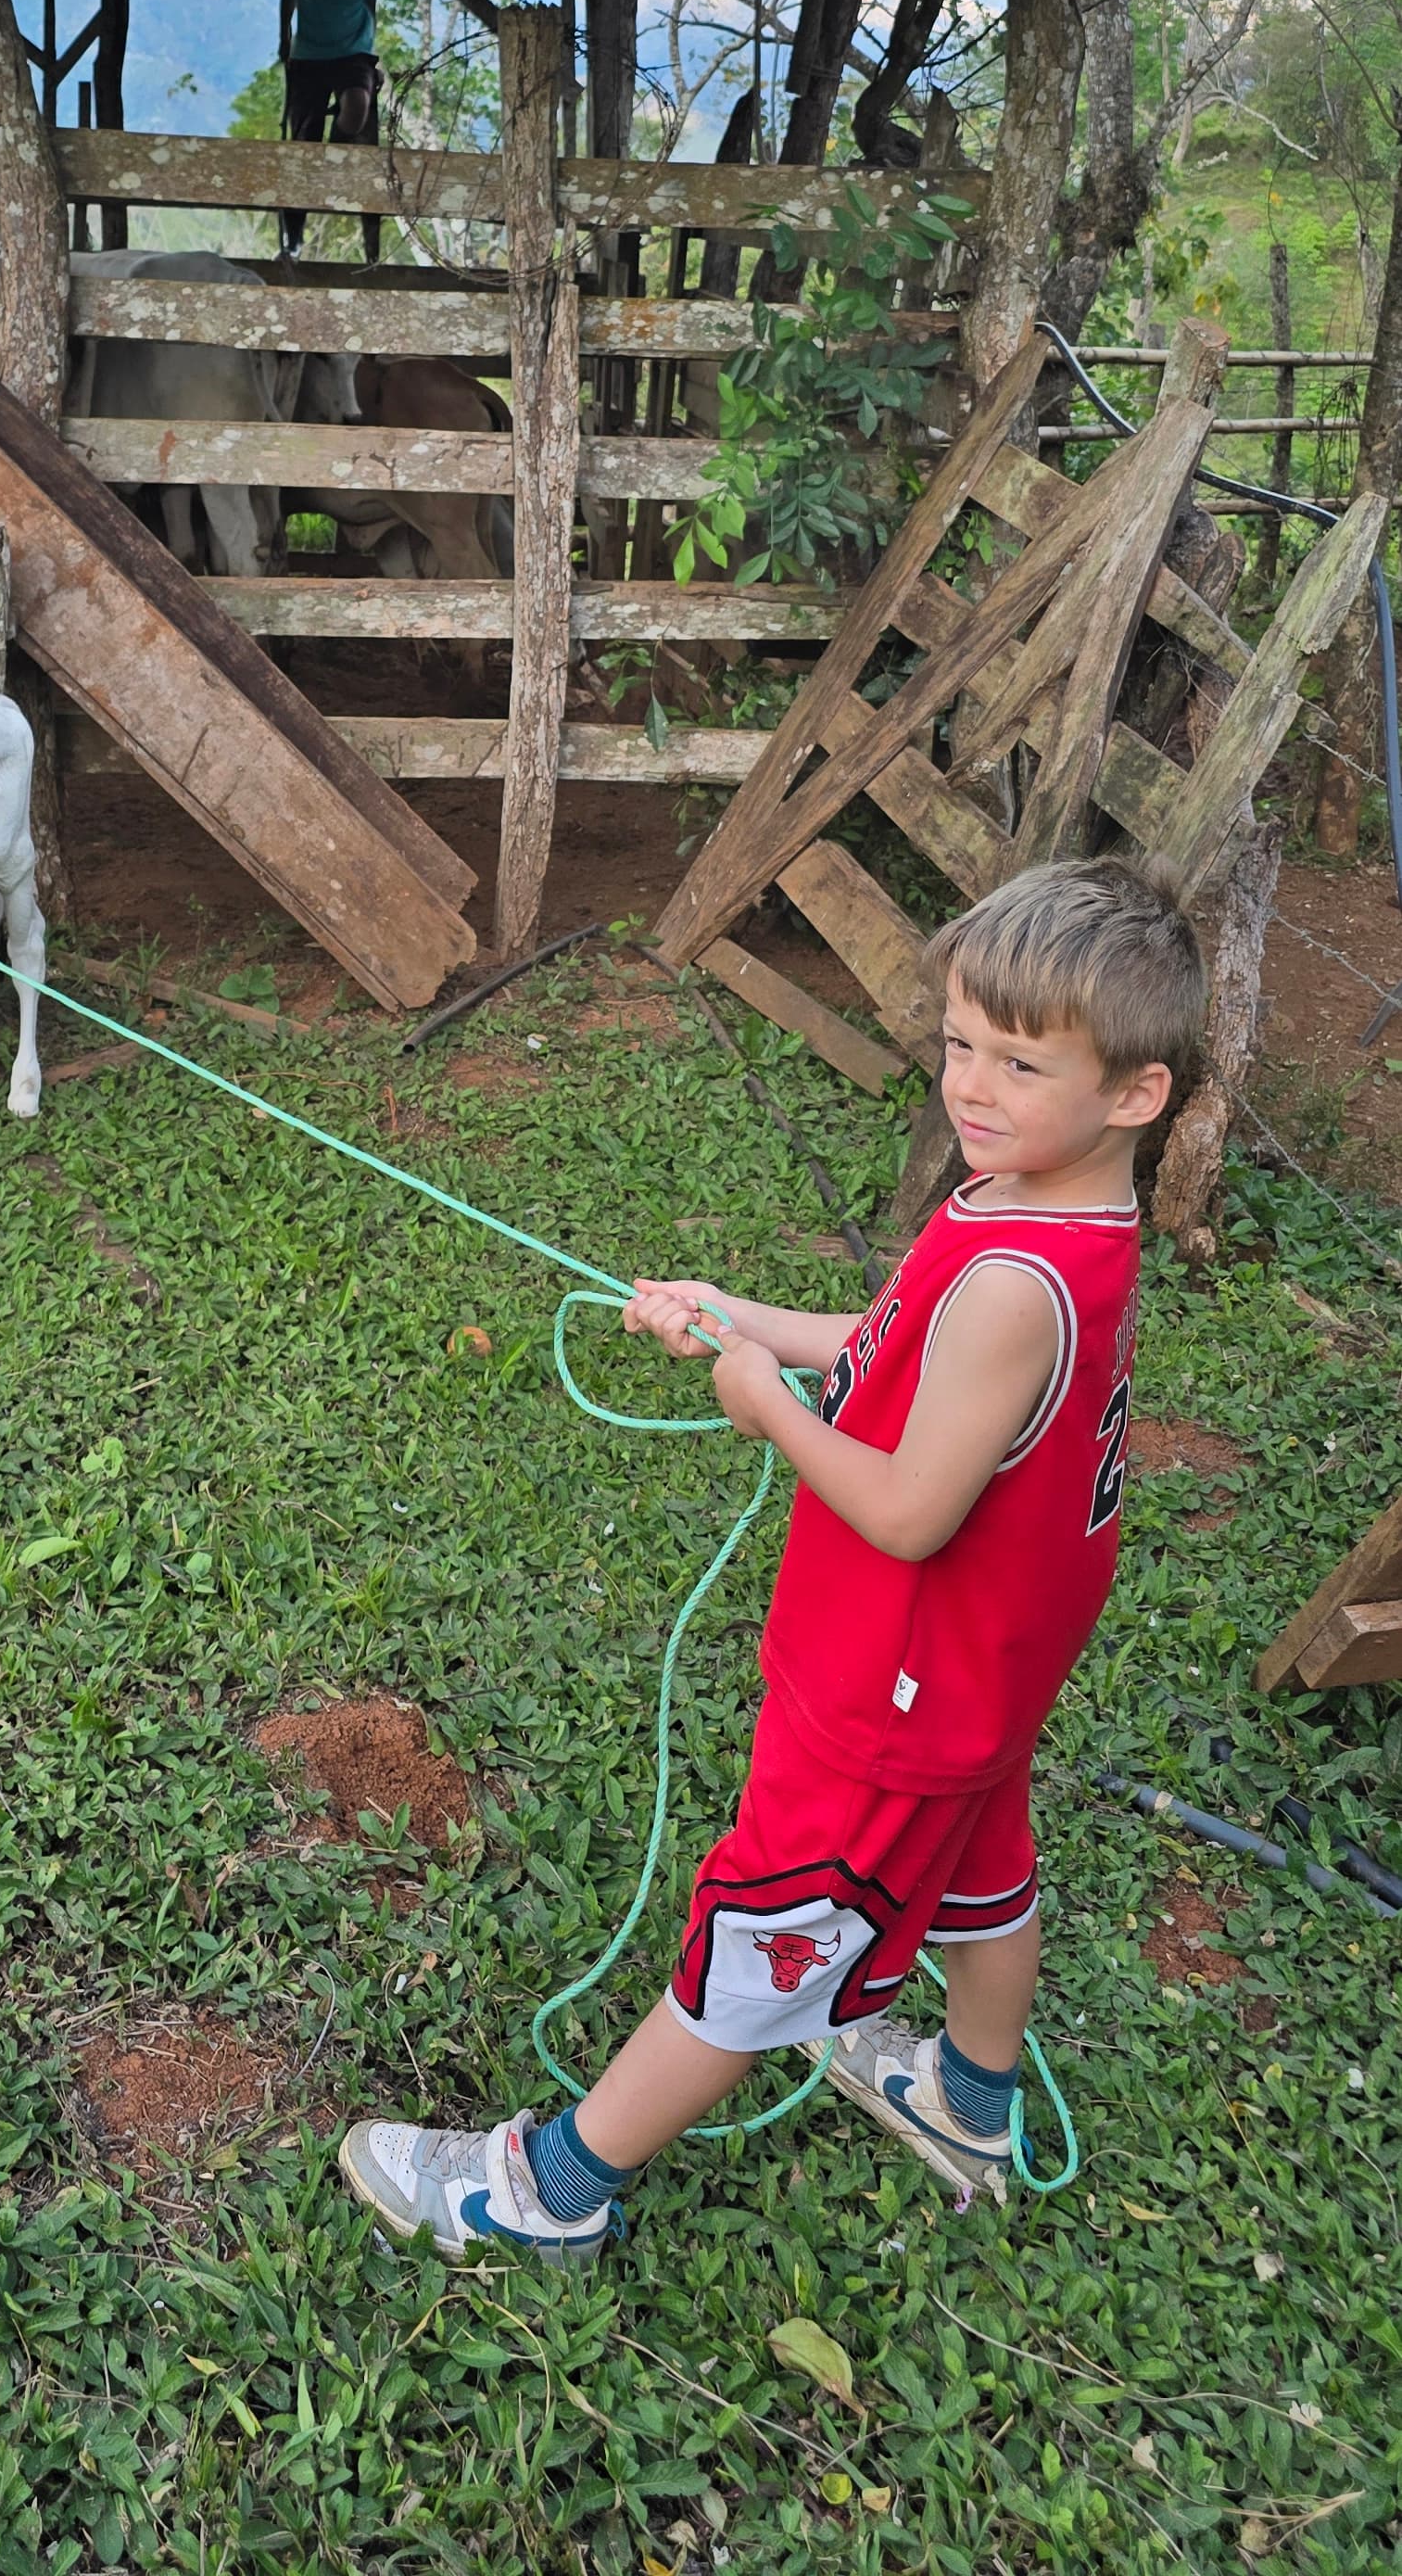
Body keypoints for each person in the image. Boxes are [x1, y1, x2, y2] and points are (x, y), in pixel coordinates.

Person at [339, 857, 1207, 2258]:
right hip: (980, 1683)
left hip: (895, 1695)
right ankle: (969, 2103)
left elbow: (914, 1509)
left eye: (1017, 1061)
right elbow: (893, 1341)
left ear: (1136, 1094)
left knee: (765, 1941)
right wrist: (741, 1313)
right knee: (984, 1873)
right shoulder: (1040, 1207)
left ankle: (554, 2191)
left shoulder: (1009, 1282)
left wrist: (767, 1411)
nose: (969, 1087)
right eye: (958, 1044)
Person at [278, 0, 382, 258]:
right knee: (302, 142)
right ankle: (294, 238)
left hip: (353, 52)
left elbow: (371, 6)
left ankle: (334, 157)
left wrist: (373, 58)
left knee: (356, 108)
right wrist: (284, 39)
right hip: (308, 54)